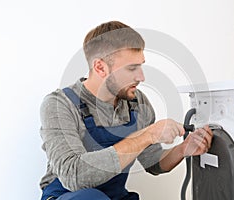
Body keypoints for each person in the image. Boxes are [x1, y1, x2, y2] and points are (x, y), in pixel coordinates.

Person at [39, 21, 213, 200]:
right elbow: (74, 177)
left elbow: (152, 162)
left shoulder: (137, 103)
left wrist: (183, 149)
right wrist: (147, 135)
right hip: (69, 196)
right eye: (132, 68)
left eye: (141, 66)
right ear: (100, 67)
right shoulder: (60, 104)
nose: (141, 77)